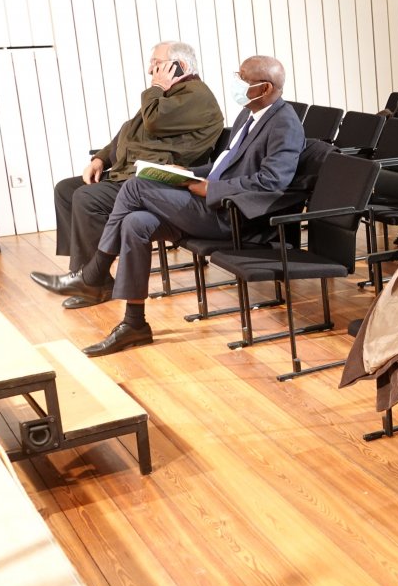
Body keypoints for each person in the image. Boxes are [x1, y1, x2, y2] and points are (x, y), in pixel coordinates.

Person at [30, 56, 306, 356]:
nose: (235, 83)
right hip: (211, 203)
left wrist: (210, 187)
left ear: (263, 88)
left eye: (241, 78)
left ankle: (95, 273)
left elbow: (272, 183)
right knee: (136, 223)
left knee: (135, 186)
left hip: (233, 217)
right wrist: (189, 175)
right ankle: (134, 324)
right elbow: (224, 165)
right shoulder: (249, 114)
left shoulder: (284, 123)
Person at [48, 41, 224, 306]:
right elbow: (130, 130)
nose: (151, 69)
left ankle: (93, 283)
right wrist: (100, 158)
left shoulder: (195, 95)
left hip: (156, 180)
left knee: (87, 198)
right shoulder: (169, 93)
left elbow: (153, 120)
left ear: (181, 66)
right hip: (128, 172)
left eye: (157, 63)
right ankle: (86, 274)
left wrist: (156, 88)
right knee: (66, 190)